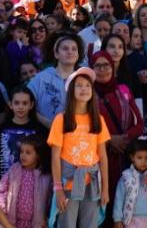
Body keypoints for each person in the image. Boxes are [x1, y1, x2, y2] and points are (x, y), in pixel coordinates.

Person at [47, 68, 109, 228]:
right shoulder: (61, 119)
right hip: (68, 184)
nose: (84, 89)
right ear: (71, 91)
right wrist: (58, 189)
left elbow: (103, 156)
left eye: (88, 86)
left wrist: (105, 189)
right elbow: (55, 157)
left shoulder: (98, 120)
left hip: (92, 185)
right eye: (79, 85)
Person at [89, 50, 142, 206]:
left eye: (106, 65)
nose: (102, 69)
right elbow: (84, 127)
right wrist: (110, 140)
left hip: (124, 157)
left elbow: (139, 123)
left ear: (113, 67)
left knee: (125, 205)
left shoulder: (123, 89)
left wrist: (123, 139)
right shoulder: (87, 93)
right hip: (98, 159)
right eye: (97, 66)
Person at [0, 137, 51, 228]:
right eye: (21, 152)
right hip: (13, 223)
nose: (23, 155)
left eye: (28, 153)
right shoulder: (14, 170)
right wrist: (3, 210)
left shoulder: (45, 176)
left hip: (34, 224)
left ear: (38, 155)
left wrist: (46, 218)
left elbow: (50, 199)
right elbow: (2, 191)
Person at [111, 139, 147, 228]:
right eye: (139, 158)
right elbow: (119, 199)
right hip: (130, 220)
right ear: (132, 158)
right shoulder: (126, 177)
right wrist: (117, 219)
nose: (143, 161)